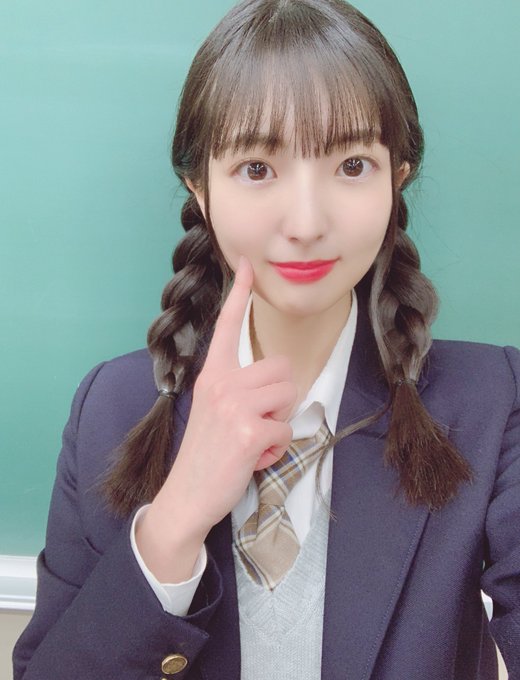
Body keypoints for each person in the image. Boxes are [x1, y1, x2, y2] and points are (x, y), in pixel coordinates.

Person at [13, 0, 520, 678]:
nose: (306, 222)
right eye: (257, 168)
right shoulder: (108, 409)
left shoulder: (492, 403)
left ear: (397, 178)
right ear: (199, 186)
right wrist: (174, 521)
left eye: (352, 165)